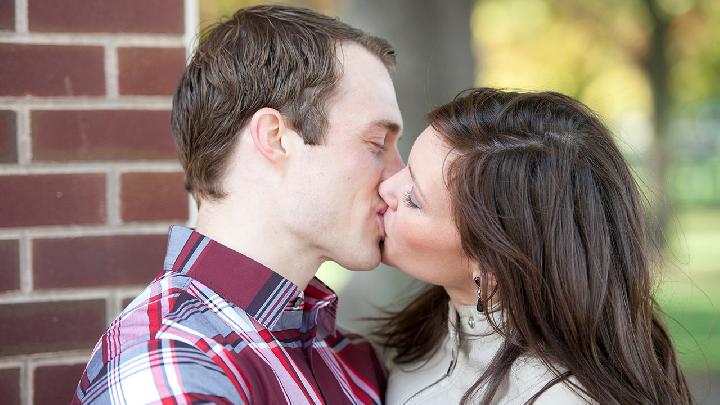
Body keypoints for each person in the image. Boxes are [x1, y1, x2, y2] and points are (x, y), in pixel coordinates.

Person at [73, 4, 403, 404]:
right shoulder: (171, 365)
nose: (398, 178)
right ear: (276, 137)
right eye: (376, 144)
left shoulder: (352, 360)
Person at [377, 88, 693, 404]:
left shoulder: (557, 398)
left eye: (412, 200)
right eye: (407, 170)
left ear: (489, 267)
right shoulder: (425, 339)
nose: (386, 187)